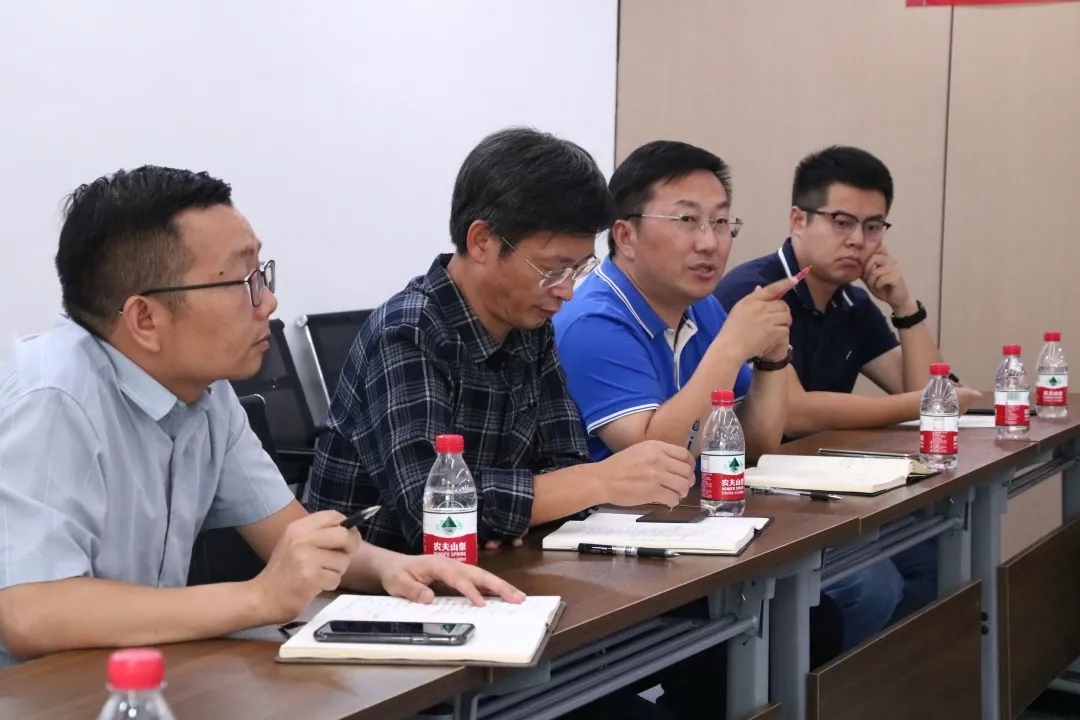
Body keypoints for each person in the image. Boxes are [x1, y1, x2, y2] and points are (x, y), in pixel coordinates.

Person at [0, 166, 523, 669]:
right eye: (243, 281)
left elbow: (287, 533)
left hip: (141, 675)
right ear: (145, 319)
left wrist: (397, 567)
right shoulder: (51, 398)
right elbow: (32, 611)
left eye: (262, 274)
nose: (268, 301)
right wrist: (258, 598)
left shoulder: (206, 392)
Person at [552, 140, 844, 715]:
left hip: (685, 541)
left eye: (720, 222)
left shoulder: (699, 307)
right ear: (625, 234)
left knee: (812, 620)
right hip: (606, 563)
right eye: (687, 221)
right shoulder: (591, 320)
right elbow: (651, 460)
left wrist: (771, 361)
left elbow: (751, 447)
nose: (710, 243)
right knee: (788, 627)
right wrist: (733, 344)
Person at [306, 128, 696, 555]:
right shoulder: (409, 331)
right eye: (552, 269)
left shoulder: (531, 325)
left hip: (493, 566)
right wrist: (596, 482)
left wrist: (518, 509)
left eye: (578, 269)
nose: (567, 291)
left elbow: (565, 460)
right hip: (365, 580)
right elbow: (432, 511)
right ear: (482, 241)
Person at [714, 145, 982, 647]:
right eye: (842, 222)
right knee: (872, 586)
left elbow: (918, 388)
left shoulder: (852, 301)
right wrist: (924, 403)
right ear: (799, 219)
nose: (858, 240)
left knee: (940, 559)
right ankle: (811, 683)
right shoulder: (755, 291)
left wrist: (904, 305)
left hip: (827, 495)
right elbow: (794, 410)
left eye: (873, 226)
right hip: (753, 497)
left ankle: (875, 682)